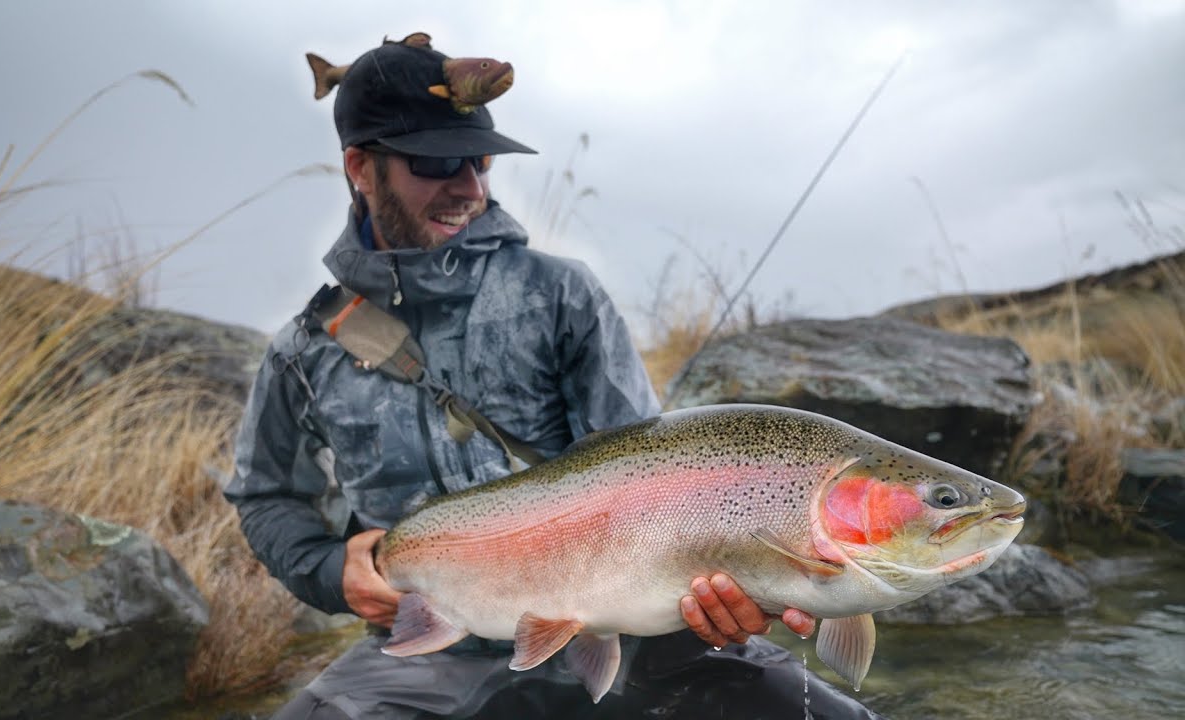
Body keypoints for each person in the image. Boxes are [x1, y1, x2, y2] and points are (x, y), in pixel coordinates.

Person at [225, 34, 880, 720]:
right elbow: (266, 496)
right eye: (436, 161)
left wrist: (728, 586)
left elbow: (652, 481)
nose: (469, 187)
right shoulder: (304, 351)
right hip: (428, 653)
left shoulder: (562, 295)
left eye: (479, 159)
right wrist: (331, 572)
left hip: (623, 634)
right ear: (361, 168)